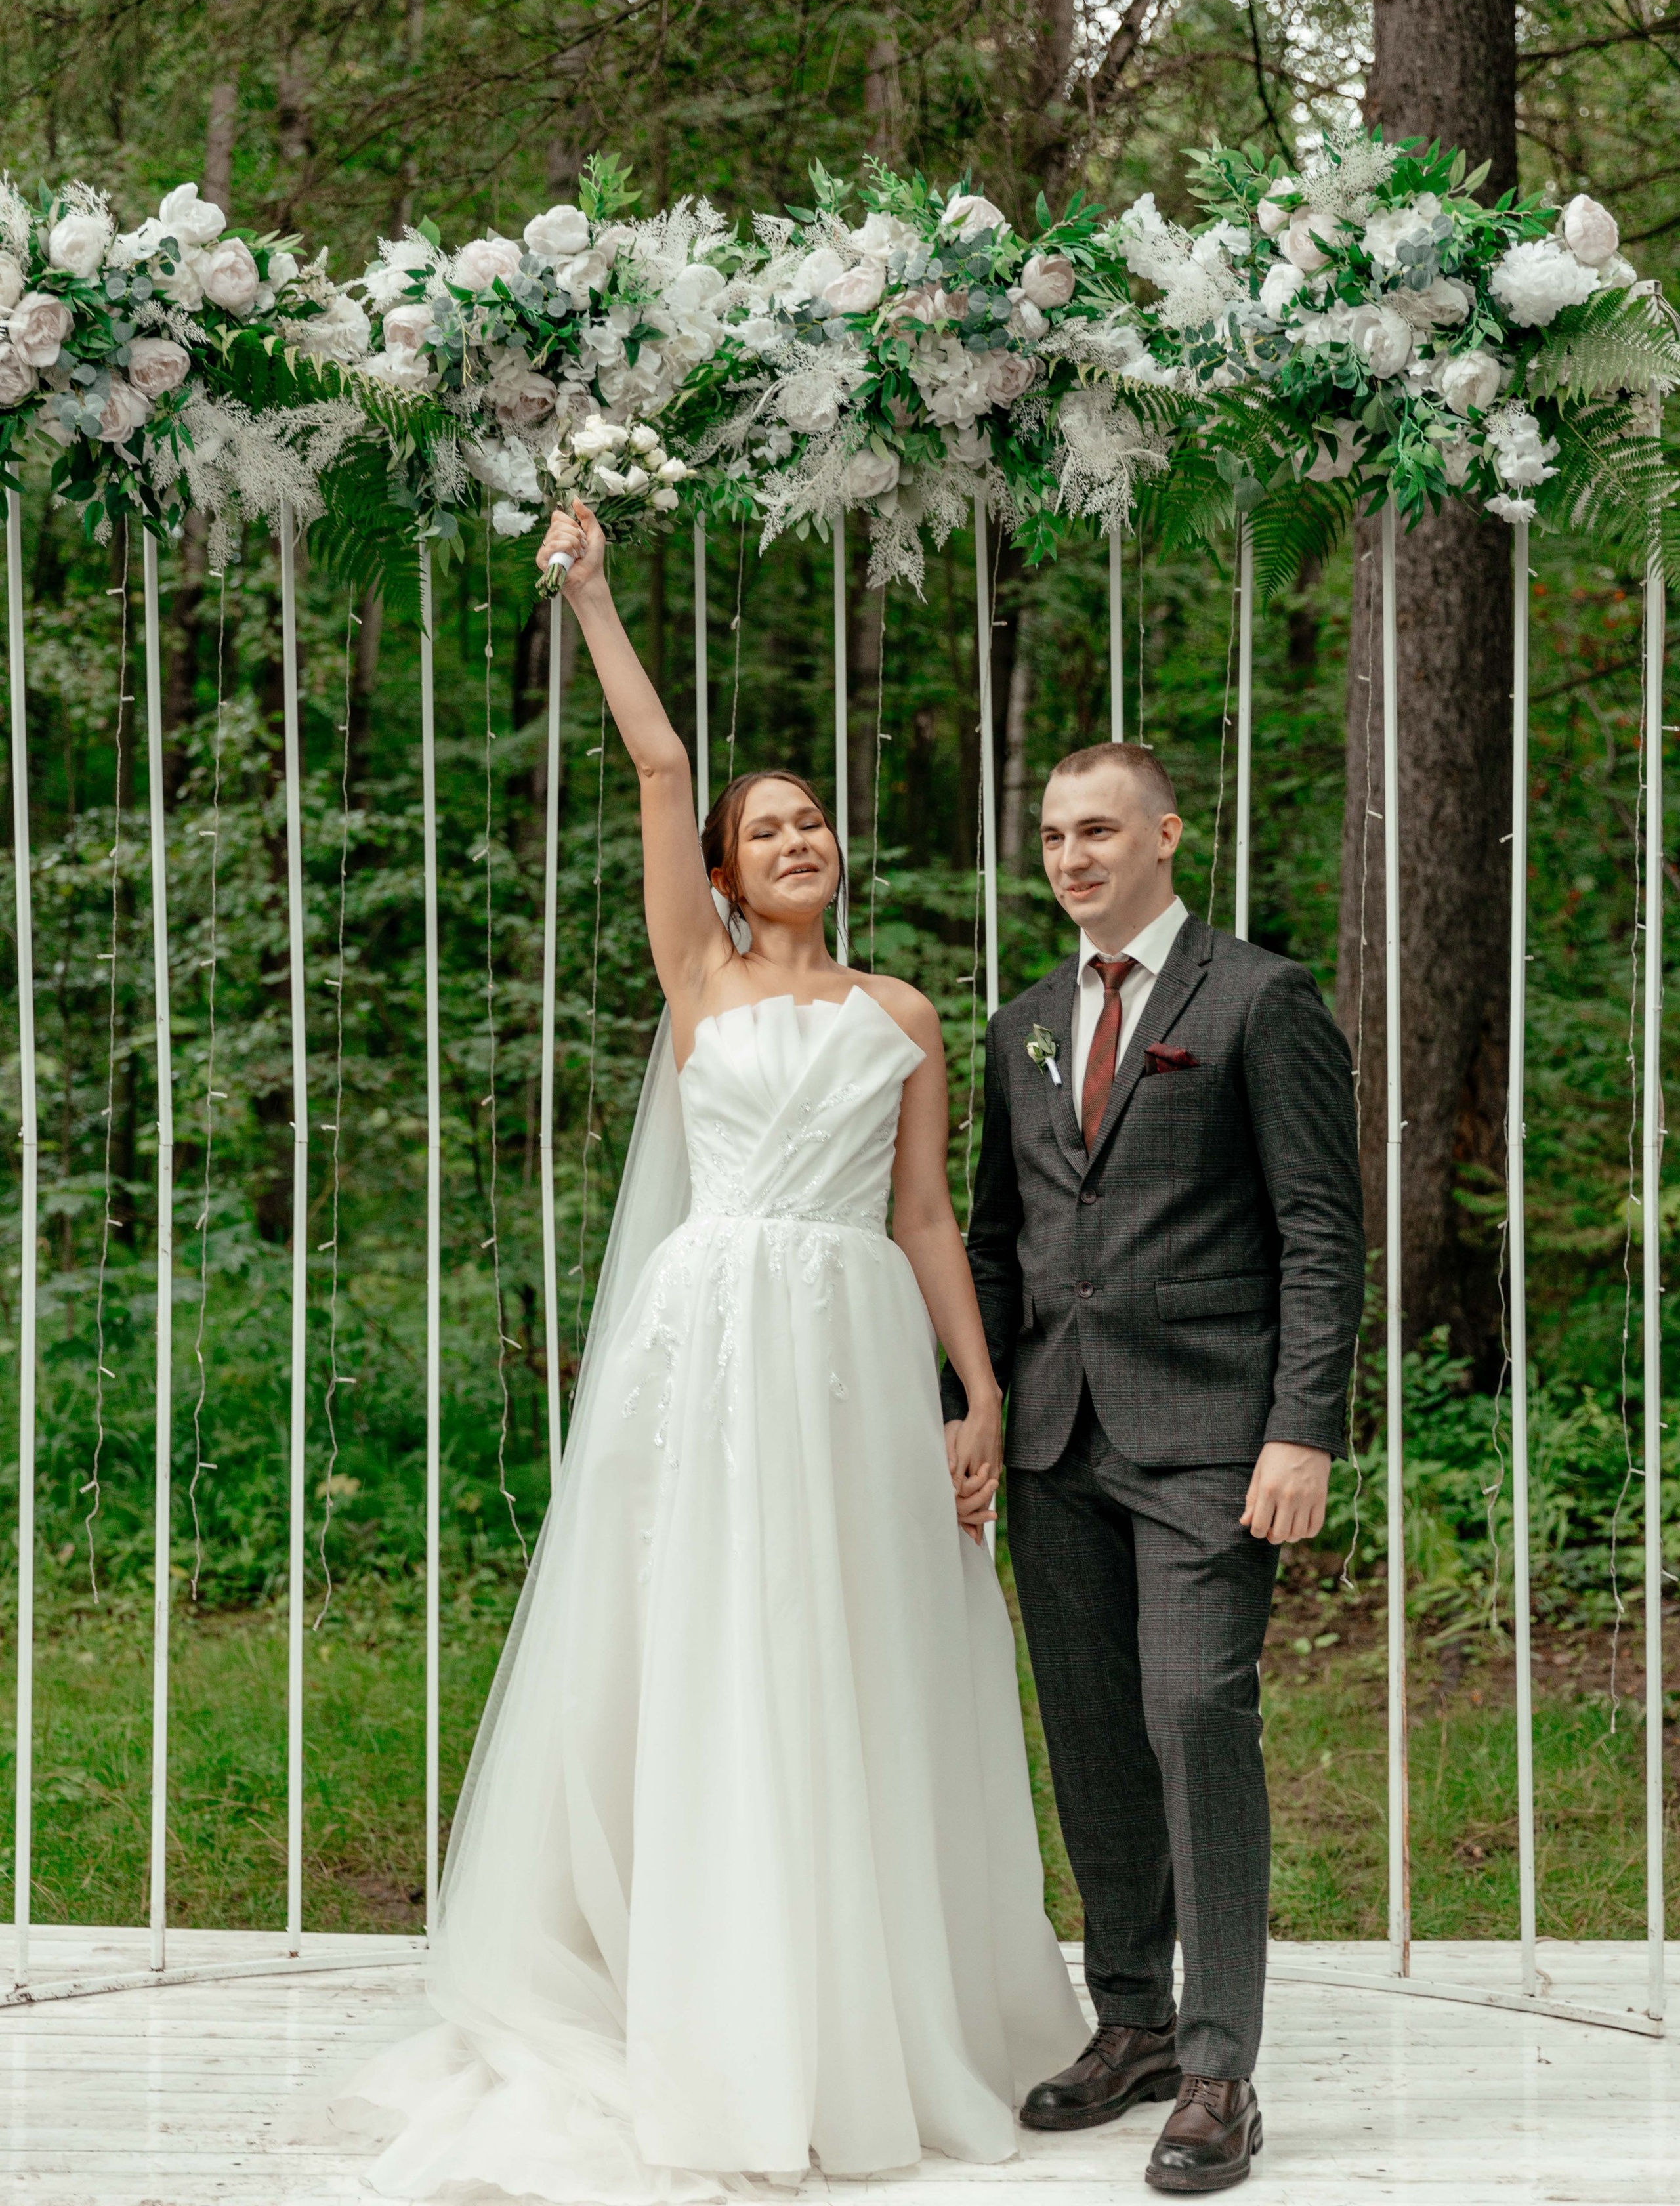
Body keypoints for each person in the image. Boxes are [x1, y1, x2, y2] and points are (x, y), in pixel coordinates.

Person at [327, 500, 1084, 2203]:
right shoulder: (704, 982)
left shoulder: (901, 1016)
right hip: (717, 1343)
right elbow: (661, 768)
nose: (799, 836)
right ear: (731, 876)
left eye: (815, 819)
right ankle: (709, 1999)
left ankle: (865, 1998)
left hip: (852, 1346)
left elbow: (929, 1223)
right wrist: (592, 593)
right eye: (771, 826)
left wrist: (977, 1391)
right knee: (715, 1644)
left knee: (858, 1649)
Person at [950, 741, 1363, 2195]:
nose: (1071, 857)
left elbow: (1319, 1228)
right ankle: (1125, 2020)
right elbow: (995, 1241)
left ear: (1167, 837)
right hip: (1057, 1437)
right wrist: (973, 1405)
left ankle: (1215, 2070)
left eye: (1100, 831)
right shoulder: (1022, 1027)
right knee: (1092, 1739)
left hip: (1208, 1440)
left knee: (1193, 1714)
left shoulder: (1257, 999)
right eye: (1055, 835)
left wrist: (1300, 1426)